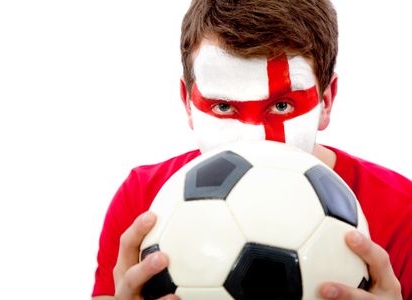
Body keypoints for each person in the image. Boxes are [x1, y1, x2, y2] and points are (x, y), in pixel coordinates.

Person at [92, 0, 412, 299]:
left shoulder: (402, 212)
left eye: (282, 105)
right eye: (223, 106)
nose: (252, 138)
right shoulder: (142, 201)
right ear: (187, 103)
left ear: (326, 102)